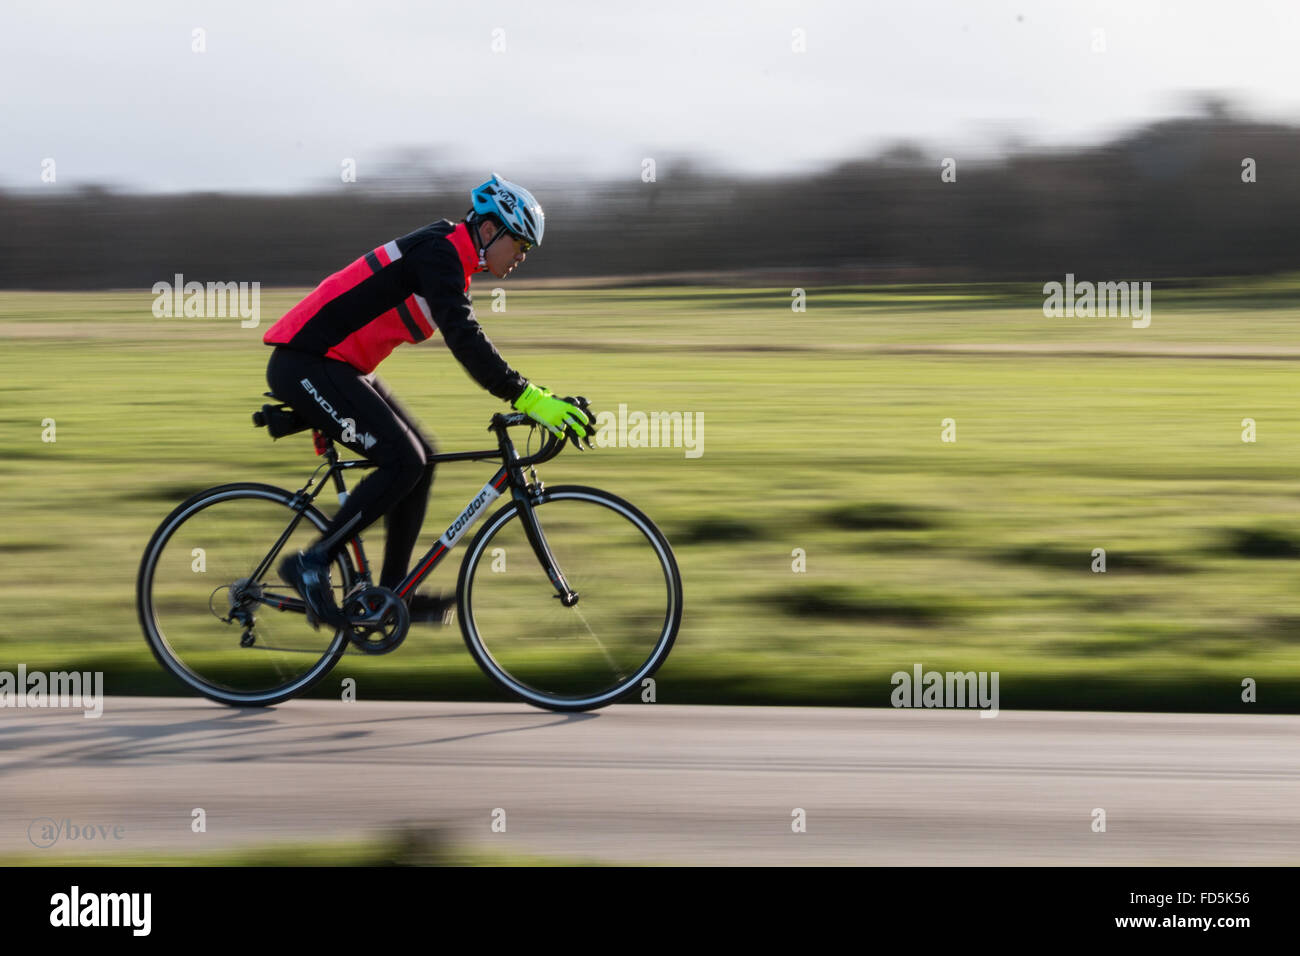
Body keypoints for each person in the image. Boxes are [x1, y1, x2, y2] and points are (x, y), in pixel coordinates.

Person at [262, 174, 590, 630]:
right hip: (308, 363)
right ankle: (313, 561)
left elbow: (461, 332)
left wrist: (531, 394)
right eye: (519, 244)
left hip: (339, 367)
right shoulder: (441, 255)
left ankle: (393, 597)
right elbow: (465, 339)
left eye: (527, 251)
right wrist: (529, 396)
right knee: (403, 460)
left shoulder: (449, 255)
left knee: (423, 459)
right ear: (491, 229)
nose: (521, 257)